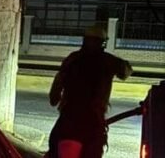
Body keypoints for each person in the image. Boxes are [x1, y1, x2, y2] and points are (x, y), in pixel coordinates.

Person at [46, 24, 133, 158]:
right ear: (103, 43)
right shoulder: (108, 61)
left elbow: (57, 86)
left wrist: (55, 98)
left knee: (54, 148)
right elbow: (126, 72)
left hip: (68, 117)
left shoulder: (72, 58)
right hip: (92, 120)